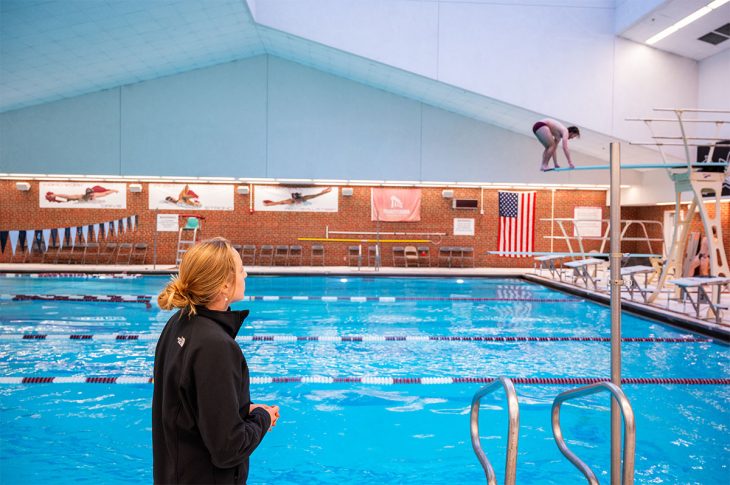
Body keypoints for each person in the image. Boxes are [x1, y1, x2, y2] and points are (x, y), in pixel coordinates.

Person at [153, 237, 279, 484]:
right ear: (223, 285)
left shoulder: (178, 324)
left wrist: (242, 408)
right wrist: (263, 418)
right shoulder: (216, 346)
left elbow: (190, 405)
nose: (245, 274)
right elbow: (227, 449)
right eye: (240, 268)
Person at [263, 186, 332, 206]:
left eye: (298, 200)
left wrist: (325, 192)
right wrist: (269, 204)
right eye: (296, 200)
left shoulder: (305, 198)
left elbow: (316, 195)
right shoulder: (290, 201)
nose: (297, 201)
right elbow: (278, 203)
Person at [45, 185, 118, 203]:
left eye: (92, 194)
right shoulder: (81, 197)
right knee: (68, 199)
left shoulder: (95, 195)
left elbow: (105, 193)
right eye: (90, 194)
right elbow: (67, 196)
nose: (92, 195)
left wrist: (114, 190)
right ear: (87, 194)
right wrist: (56, 195)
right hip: (78, 203)